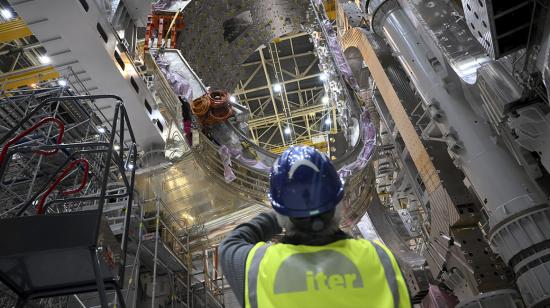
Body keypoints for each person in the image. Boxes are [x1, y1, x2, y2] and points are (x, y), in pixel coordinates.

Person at [220, 146, 411, 308]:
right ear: (340, 204)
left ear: (281, 215)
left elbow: (231, 243)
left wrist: (285, 210)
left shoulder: (258, 268)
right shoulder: (381, 260)